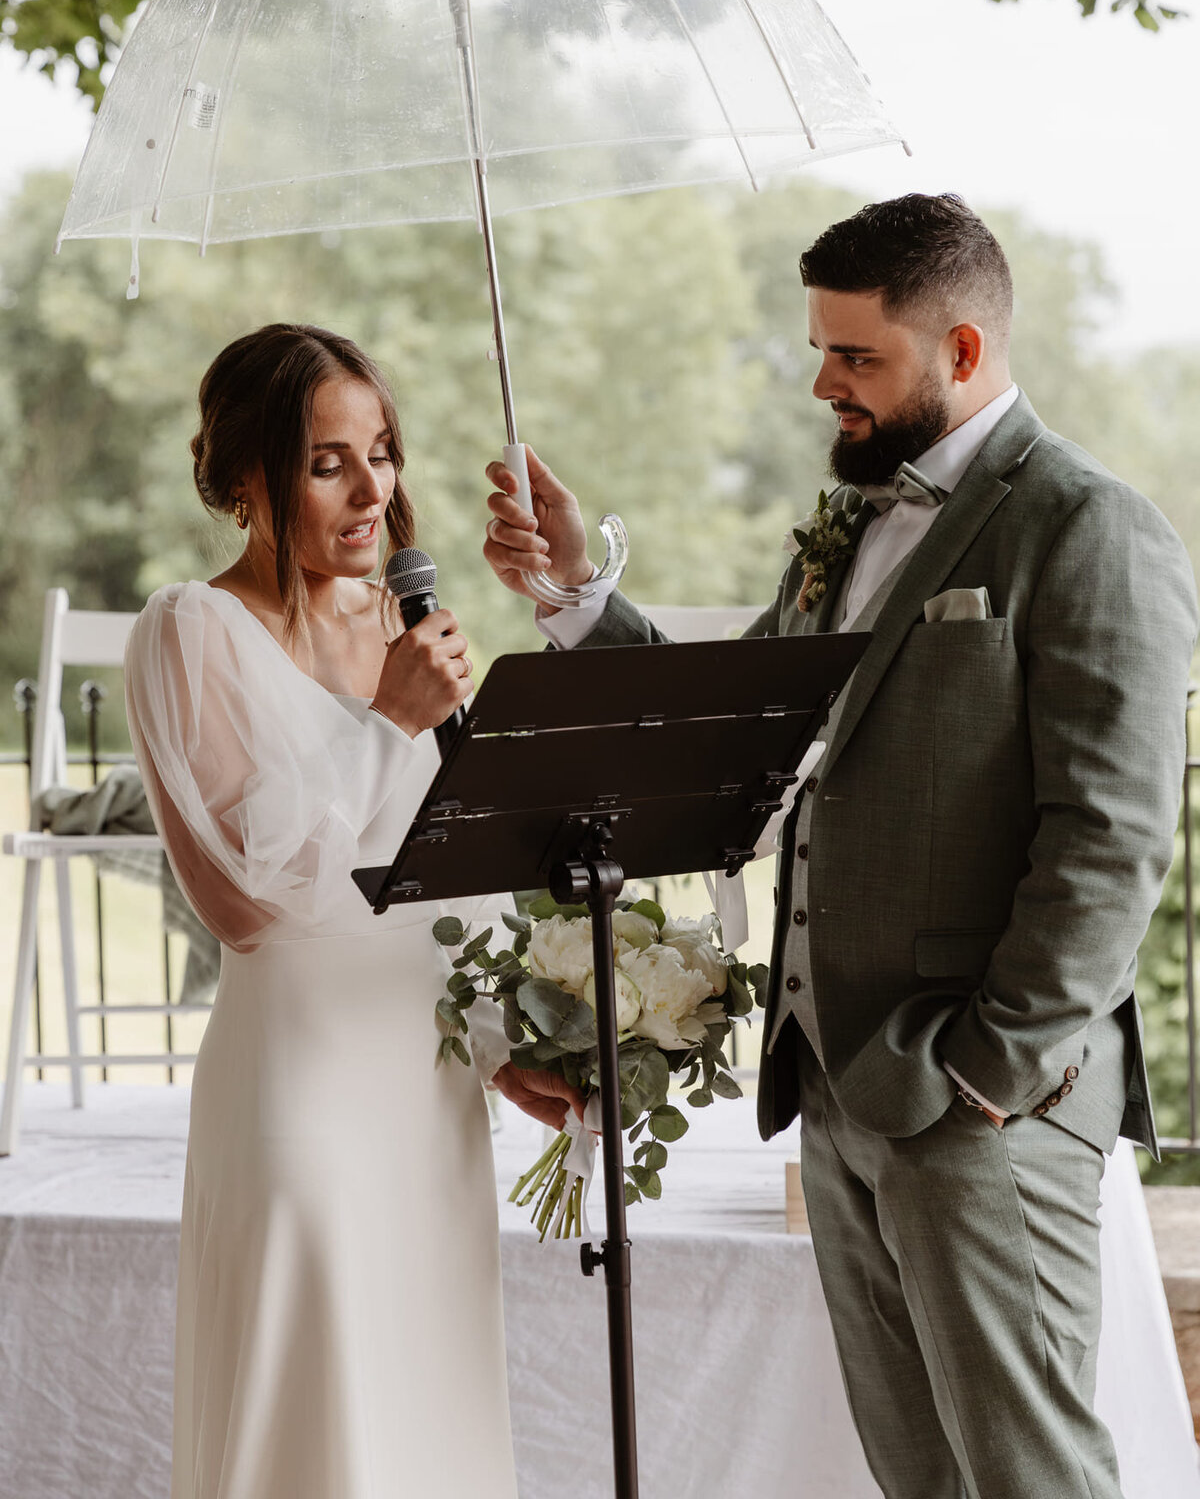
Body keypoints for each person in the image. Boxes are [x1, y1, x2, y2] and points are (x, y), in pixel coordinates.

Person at [482, 195, 1199, 1499]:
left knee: (1031, 1478)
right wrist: (576, 594)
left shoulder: (1090, 527)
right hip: (839, 1090)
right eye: (820, 350)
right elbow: (730, 730)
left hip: (981, 1107)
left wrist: (987, 1074)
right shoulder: (849, 525)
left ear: (963, 351)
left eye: (857, 356)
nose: (825, 385)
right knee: (918, 1479)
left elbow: (1112, 839)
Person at [125, 323, 573, 1499]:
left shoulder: (398, 624)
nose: (374, 490)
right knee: (318, 1409)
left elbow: (451, 873)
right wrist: (388, 724)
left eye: (382, 453)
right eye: (329, 463)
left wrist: (503, 1046)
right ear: (246, 476)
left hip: (426, 1094)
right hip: (302, 1090)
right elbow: (241, 902)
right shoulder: (189, 630)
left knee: (427, 1415)